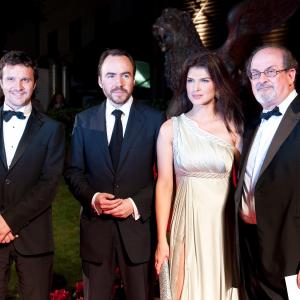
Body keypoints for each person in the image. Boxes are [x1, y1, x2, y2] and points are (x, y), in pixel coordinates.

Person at [64, 48, 165, 300]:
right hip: (95, 230)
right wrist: (93, 197)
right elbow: (73, 171)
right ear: (100, 80)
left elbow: (165, 177)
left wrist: (135, 204)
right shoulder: (84, 121)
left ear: (134, 79)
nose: (118, 83)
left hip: (138, 231)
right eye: (110, 75)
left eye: (125, 75)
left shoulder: (156, 120)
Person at [155, 51, 243, 300]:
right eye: (191, 80)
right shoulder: (171, 129)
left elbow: (251, 181)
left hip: (222, 226)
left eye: (204, 80)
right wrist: (162, 239)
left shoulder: (233, 128)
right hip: (187, 223)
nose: (196, 87)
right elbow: (164, 185)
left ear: (217, 84)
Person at [235, 45, 300, 299]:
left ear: (291, 75)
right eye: (255, 74)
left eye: (270, 71)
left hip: (290, 252)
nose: (261, 80)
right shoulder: (251, 125)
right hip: (252, 248)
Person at [0, 50, 65, 299]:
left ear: (35, 83)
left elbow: (48, 186)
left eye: (25, 79)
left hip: (35, 238)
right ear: (1, 82)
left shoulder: (52, 130)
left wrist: (8, 221)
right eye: (11, 79)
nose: (18, 86)